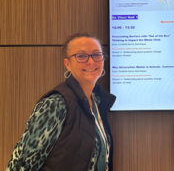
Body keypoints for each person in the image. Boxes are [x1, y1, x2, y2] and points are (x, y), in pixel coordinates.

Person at [7, 33, 116, 171]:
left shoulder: (97, 102)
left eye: (96, 54)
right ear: (67, 64)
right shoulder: (56, 103)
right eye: (81, 56)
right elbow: (20, 165)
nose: (91, 62)